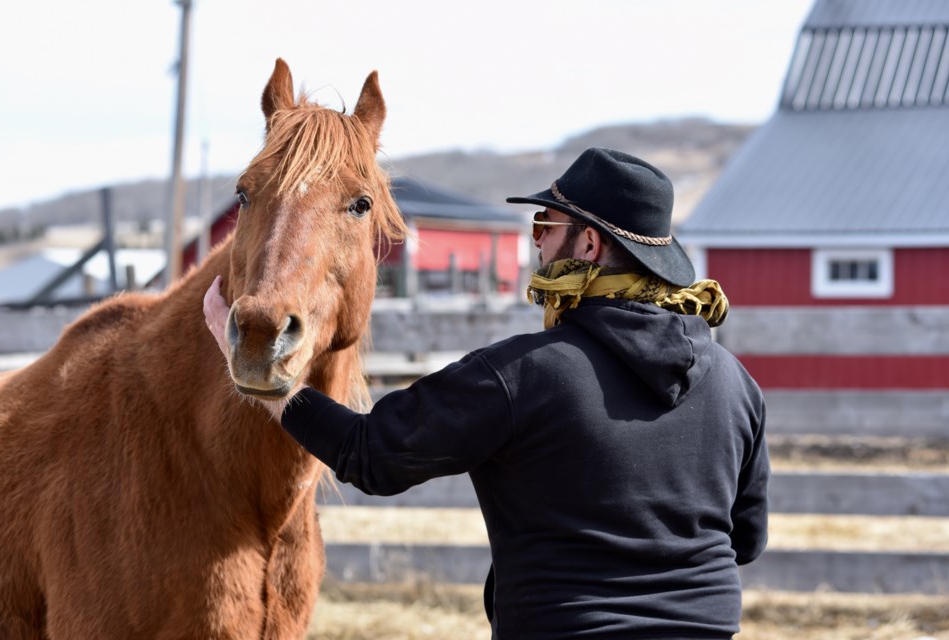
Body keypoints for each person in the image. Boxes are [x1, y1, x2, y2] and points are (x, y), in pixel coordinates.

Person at [204, 147, 769, 639]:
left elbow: (369, 454)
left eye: (544, 226)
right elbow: (745, 539)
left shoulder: (526, 376)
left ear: (589, 244)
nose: (538, 244)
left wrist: (268, 378)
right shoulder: (736, 384)